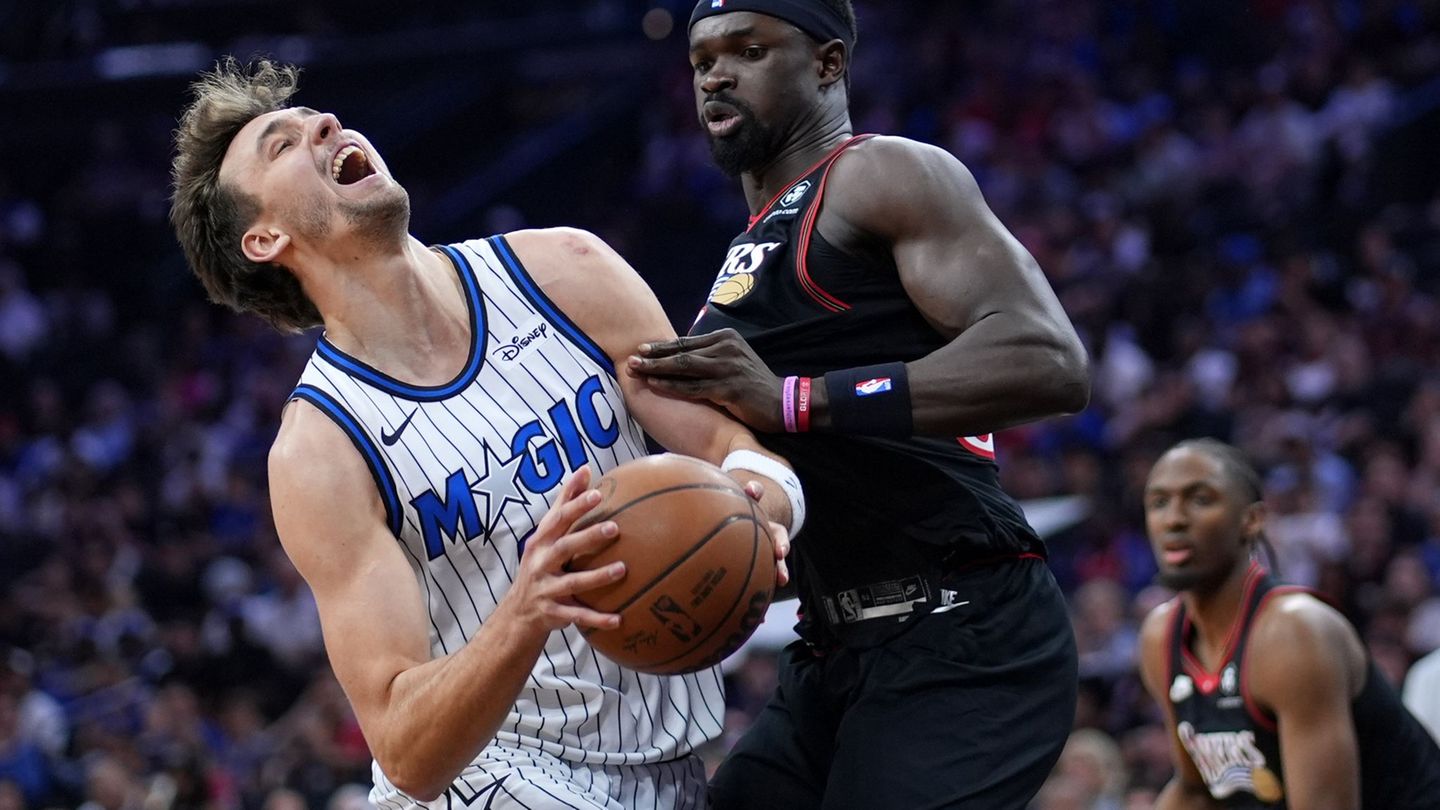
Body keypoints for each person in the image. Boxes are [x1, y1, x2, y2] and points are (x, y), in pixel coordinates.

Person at [167, 59, 805, 810]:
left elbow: (728, 448)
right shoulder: (320, 452)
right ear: (264, 239)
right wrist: (527, 609)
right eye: (281, 145)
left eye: (318, 117)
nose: (323, 125)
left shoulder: (566, 269)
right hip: (495, 784)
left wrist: (763, 508)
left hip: (670, 768)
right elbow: (405, 748)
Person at [628, 2, 1091, 807]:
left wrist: (791, 400)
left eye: (749, 50)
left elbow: (1047, 359)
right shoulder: (745, 252)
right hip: (834, 643)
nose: (717, 75)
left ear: (829, 65)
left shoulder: (882, 174)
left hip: (962, 623)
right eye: (703, 61)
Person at [1136, 438, 1440, 809]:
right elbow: (1195, 790)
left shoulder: (1295, 632)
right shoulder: (1161, 636)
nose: (1174, 519)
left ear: (1252, 520)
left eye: (1200, 500)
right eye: (1159, 502)